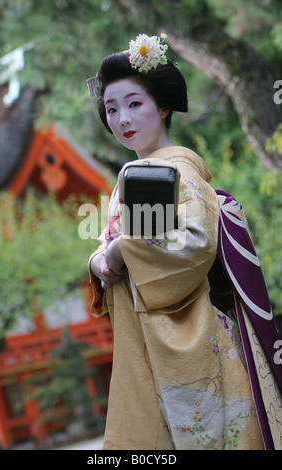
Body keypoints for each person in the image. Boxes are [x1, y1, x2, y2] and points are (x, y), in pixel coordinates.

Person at [87, 33, 282, 450]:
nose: (123, 118)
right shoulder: (133, 174)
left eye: (135, 104)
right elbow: (112, 245)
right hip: (146, 337)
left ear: (162, 106)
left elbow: (192, 243)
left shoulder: (181, 171)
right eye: (112, 108)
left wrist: (120, 251)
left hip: (190, 335)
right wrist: (98, 261)